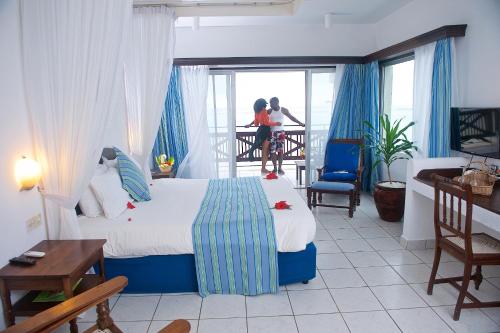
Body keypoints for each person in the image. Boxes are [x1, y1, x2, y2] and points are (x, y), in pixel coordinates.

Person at [268, 97, 305, 175]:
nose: (270, 105)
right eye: (270, 103)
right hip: (271, 133)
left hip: (281, 133)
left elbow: (291, 117)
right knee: (272, 151)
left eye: (272, 103)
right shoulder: (269, 111)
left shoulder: (283, 110)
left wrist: (300, 123)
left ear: (277, 102)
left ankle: (280, 168)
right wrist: (250, 124)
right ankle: (274, 168)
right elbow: (260, 117)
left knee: (280, 151)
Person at [246, 98, 281, 174]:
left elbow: (256, 124)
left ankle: (263, 168)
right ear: (263, 105)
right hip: (266, 131)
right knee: (265, 151)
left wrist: (250, 124)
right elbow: (267, 123)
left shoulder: (256, 112)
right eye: (265, 104)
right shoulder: (264, 111)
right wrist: (276, 123)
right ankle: (263, 169)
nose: (266, 105)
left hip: (260, 131)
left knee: (265, 150)